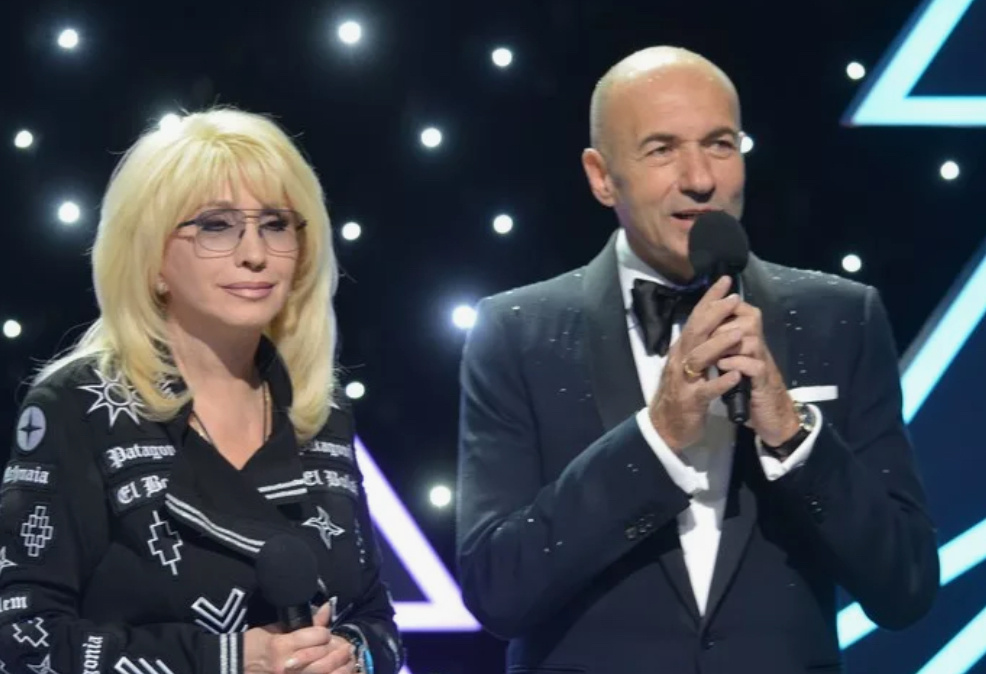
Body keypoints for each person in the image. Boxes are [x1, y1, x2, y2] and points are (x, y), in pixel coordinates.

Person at [455, 46, 939, 673]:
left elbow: (906, 586)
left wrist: (794, 436)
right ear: (602, 176)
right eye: (662, 149)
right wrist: (655, 439)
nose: (700, 178)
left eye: (720, 144)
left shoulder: (842, 318)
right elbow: (497, 590)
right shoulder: (515, 332)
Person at [0, 108, 404, 674]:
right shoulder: (77, 407)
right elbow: (23, 641)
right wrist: (224, 661)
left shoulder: (320, 410)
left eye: (275, 224)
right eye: (216, 225)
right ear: (152, 260)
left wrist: (349, 655)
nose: (255, 253)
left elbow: (376, 618)